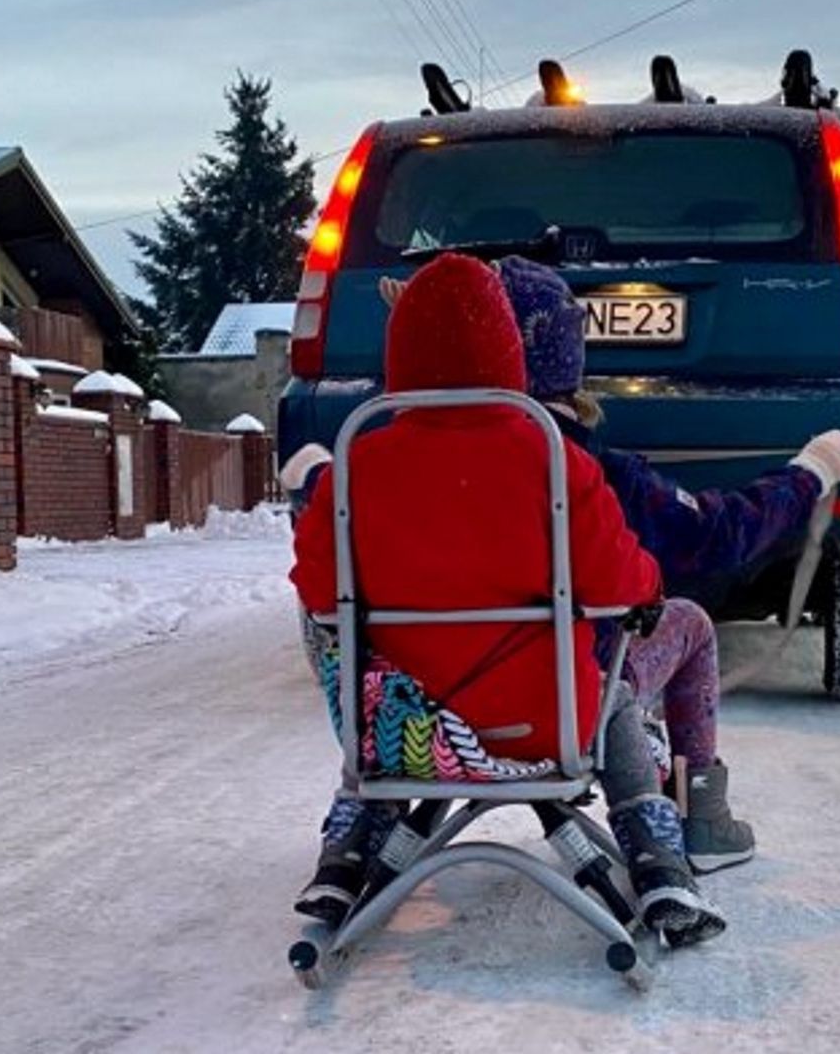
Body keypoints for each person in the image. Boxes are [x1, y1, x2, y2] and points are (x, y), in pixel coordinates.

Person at [287, 253, 723, 945]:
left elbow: (317, 593)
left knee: (357, 664)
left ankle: (349, 849)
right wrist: (648, 588)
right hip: (546, 726)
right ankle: (655, 854)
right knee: (612, 699)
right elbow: (618, 582)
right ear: (508, 352)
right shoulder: (553, 456)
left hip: (409, 736)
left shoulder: (356, 464)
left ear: (398, 354)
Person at [494, 255, 840, 872]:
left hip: (432, 713)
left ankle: (368, 837)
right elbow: (716, 536)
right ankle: (700, 817)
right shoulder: (595, 476)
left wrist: (320, 471)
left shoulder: (385, 466)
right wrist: (812, 472)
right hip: (560, 701)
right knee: (688, 621)